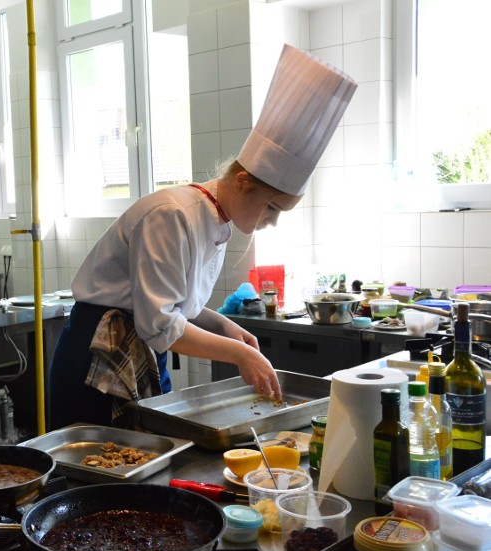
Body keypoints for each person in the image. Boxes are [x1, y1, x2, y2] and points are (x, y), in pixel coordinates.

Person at [48, 44, 358, 430]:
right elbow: (161, 324)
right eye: (272, 209)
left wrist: (225, 327)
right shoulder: (173, 215)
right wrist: (241, 356)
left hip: (137, 350)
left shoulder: (216, 220)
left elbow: (176, 307)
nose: (272, 222)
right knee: (100, 470)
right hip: (99, 357)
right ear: (243, 182)